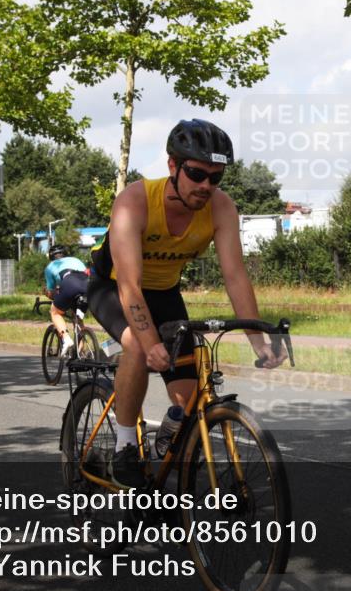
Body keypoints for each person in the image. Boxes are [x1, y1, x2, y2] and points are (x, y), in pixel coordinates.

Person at [88, 118, 286, 489]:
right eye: (196, 174)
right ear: (173, 166)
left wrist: (258, 341)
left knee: (189, 398)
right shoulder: (135, 201)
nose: (206, 185)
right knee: (136, 346)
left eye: (216, 177)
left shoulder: (221, 208)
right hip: (112, 286)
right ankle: (125, 446)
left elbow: (235, 276)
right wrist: (150, 342)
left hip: (165, 293)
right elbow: (130, 285)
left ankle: (165, 454)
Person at [43, 244, 88, 357]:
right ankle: (79, 353)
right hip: (88, 285)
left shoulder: (50, 267)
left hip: (70, 283)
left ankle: (66, 339)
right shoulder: (76, 260)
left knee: (54, 312)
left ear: (51, 257)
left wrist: (47, 293)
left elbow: (51, 292)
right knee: (78, 318)